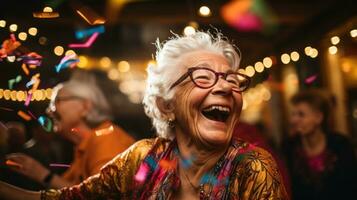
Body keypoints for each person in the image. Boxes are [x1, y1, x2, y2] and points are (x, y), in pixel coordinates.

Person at [0, 31, 288, 199]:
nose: (226, 87)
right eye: (203, 77)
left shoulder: (252, 167)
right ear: (166, 106)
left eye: (231, 79)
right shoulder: (144, 159)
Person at [4, 71, 135, 189]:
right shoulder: (85, 146)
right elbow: (70, 190)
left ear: (85, 106)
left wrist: (42, 175)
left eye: (57, 101)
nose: (49, 110)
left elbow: (100, 194)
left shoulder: (107, 138)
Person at [283, 89, 357, 200]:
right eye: (293, 114)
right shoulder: (288, 148)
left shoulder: (340, 145)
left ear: (318, 117)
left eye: (301, 115)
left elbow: (351, 188)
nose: (294, 120)